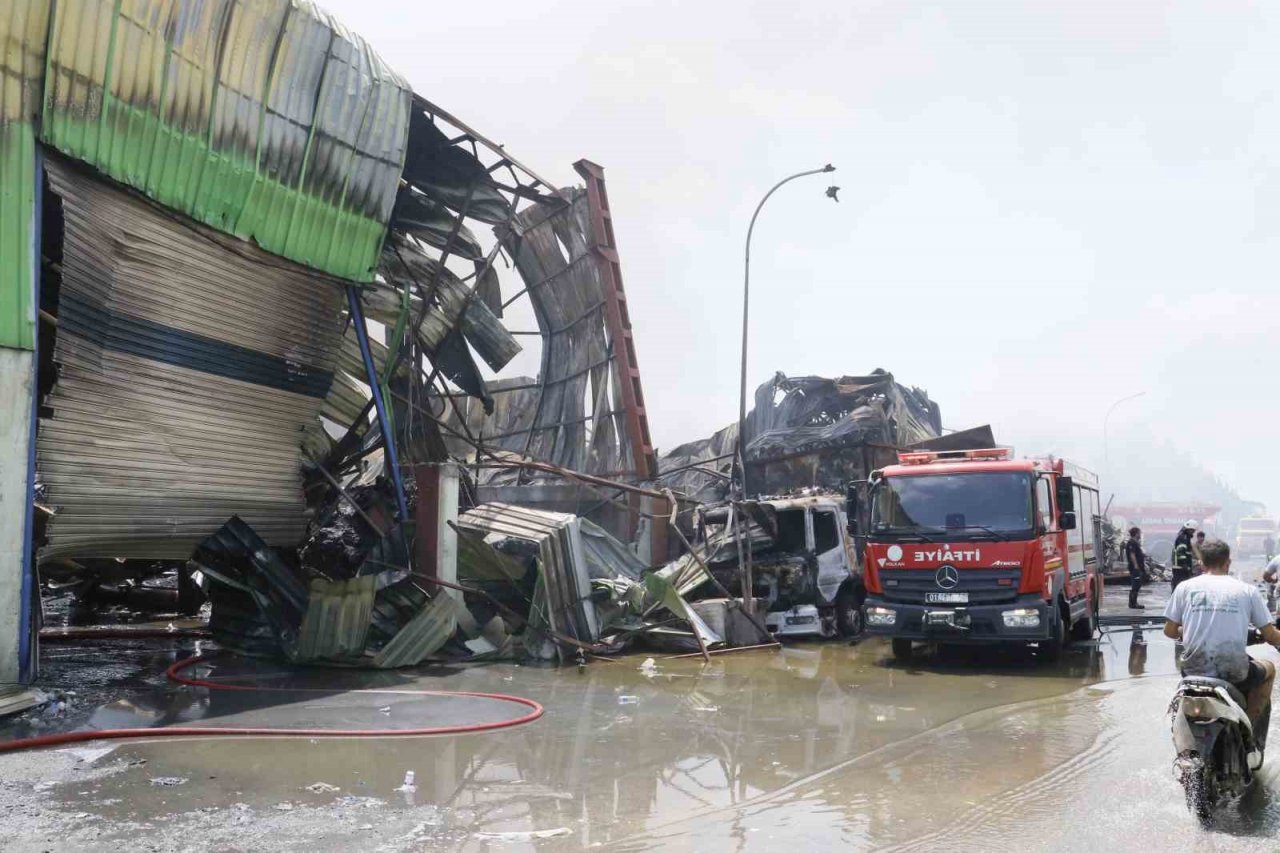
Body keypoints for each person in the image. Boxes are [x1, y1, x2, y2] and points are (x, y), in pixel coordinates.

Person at [1163, 538, 1280, 734]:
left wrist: (1187, 631)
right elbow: (1271, 636)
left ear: (1201, 563)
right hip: (1234, 671)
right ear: (1228, 562)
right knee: (1269, 669)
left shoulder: (1184, 588)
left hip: (1192, 670)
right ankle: (1249, 738)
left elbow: (1169, 631)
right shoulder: (1247, 591)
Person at [1124, 526, 1146, 609]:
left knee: (1138, 585)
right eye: (1139, 533)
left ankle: (1133, 602)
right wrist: (1136, 566)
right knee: (1135, 585)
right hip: (1135, 568)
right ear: (1136, 533)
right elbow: (1132, 555)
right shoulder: (1131, 543)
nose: (1140, 534)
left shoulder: (1135, 542)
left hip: (1138, 568)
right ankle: (1133, 604)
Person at [1171, 522, 1197, 591]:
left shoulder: (1184, 537)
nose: (1193, 533)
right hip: (1180, 567)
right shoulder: (1183, 538)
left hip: (1180, 567)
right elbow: (1181, 552)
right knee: (1179, 587)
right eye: (1193, 531)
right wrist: (1184, 565)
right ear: (1189, 529)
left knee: (1180, 586)